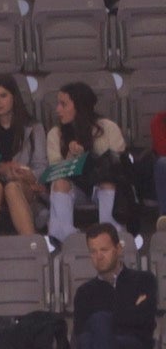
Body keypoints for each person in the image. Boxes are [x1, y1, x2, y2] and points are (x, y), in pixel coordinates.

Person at [74, 223, 158, 349]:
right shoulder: (84, 292)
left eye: (104, 249)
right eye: (93, 251)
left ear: (118, 249)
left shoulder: (144, 280)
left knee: (98, 322)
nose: (99, 256)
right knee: (87, 340)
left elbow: (145, 320)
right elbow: (79, 334)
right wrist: (129, 312)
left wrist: (107, 323)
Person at [0, 75, 48, 242]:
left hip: (22, 184)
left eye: (3, 96)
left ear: (14, 97)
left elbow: (41, 166)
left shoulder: (33, 127)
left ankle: (31, 248)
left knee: (12, 187)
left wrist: (26, 173)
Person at [48, 81, 128, 244]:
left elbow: (118, 166)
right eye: (58, 104)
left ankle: (112, 237)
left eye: (63, 104)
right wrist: (71, 156)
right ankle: (66, 239)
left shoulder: (108, 128)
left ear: (80, 106)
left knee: (108, 183)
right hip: (76, 190)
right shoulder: (55, 134)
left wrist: (89, 156)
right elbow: (54, 172)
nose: (58, 110)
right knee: (60, 183)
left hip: (101, 185)